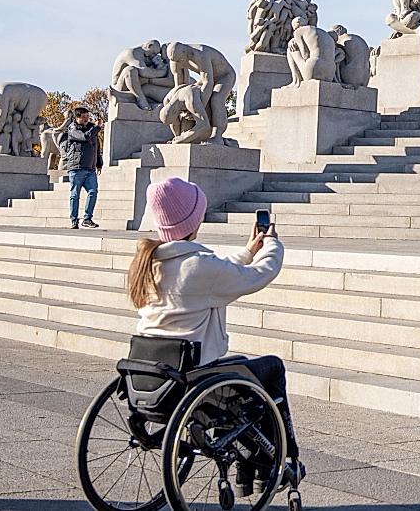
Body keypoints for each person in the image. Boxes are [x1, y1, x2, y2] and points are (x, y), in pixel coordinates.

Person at [127, 178, 302, 486]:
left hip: (154, 373)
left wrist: (249, 250)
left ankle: (251, 469)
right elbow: (256, 276)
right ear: (194, 220)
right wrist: (272, 244)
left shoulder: (150, 261)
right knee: (270, 369)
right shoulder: (197, 265)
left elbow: (216, 271)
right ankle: (269, 464)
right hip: (193, 375)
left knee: (241, 370)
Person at [54, 104, 104, 229]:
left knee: (93, 192)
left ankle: (87, 218)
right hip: (76, 168)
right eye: (84, 117)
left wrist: (99, 163)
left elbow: (96, 148)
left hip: (90, 168)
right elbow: (84, 137)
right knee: (75, 195)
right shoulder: (73, 129)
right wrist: (97, 128)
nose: (87, 119)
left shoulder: (93, 129)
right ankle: (74, 220)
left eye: (88, 116)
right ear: (77, 118)